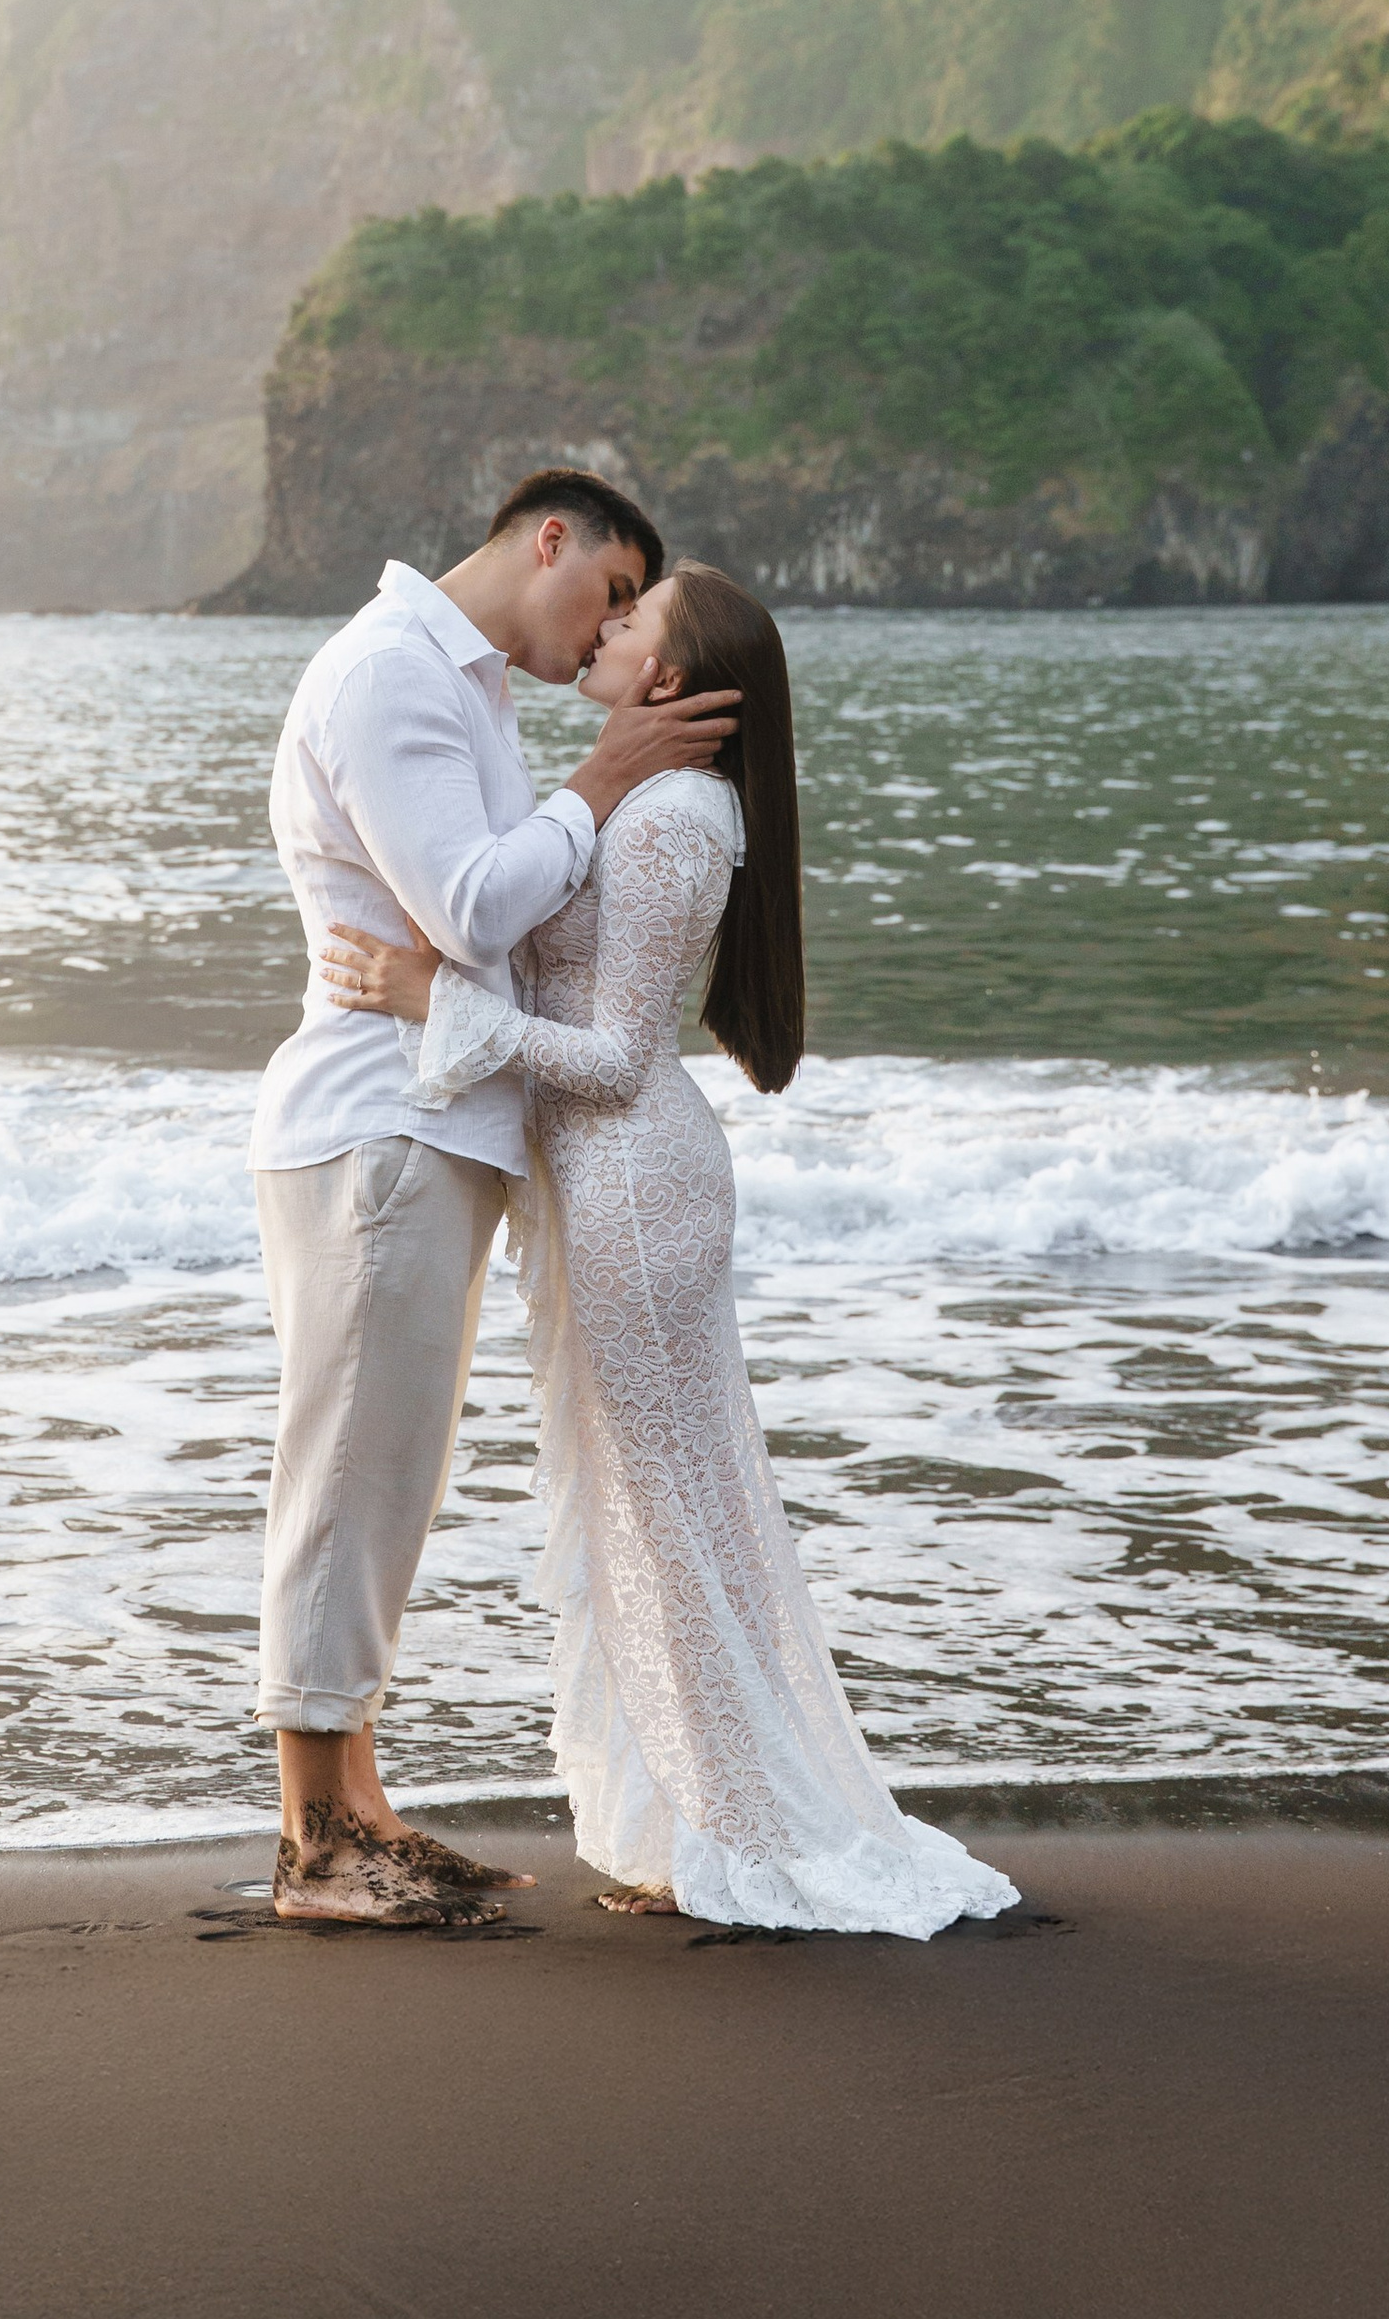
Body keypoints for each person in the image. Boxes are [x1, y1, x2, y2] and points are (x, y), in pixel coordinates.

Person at [324, 561, 1016, 1937]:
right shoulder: (647, 805)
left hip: (637, 1182)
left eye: (637, 617)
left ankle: (746, 1836)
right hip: (616, 1182)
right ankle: (710, 1820)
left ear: (676, 680)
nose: (609, 620)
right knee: (655, 1510)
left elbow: (620, 1056)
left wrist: (432, 1008)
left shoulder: (678, 820)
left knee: (671, 1518)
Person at [251, 471, 739, 1925]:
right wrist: (604, 786)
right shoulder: (392, 674)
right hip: (378, 1126)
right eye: (609, 592)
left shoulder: (467, 691)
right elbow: (471, 905)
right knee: (343, 1478)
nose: (604, 633)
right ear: (550, 541)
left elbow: (492, 934)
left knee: (385, 1477)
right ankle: (312, 1843)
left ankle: (360, 1810)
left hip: (434, 1123)